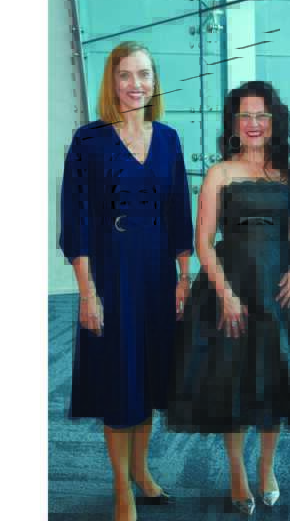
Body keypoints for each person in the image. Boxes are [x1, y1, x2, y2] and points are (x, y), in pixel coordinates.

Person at [168, 81, 290, 515]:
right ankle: (236, 472)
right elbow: (204, 242)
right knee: (233, 383)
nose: (254, 123)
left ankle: (266, 468)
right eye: (245, 115)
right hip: (231, 288)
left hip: (279, 292)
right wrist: (225, 293)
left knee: (274, 382)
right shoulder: (219, 173)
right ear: (233, 123)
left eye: (262, 115)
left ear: (275, 121)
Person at [59, 41, 193, 521]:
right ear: (112, 82)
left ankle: (141, 469)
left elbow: (179, 212)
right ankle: (121, 487)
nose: (136, 84)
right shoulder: (89, 140)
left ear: (155, 82)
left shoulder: (169, 139)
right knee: (120, 380)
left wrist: (183, 277)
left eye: (144, 74)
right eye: (126, 75)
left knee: (150, 377)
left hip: (157, 273)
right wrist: (87, 292)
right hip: (112, 274)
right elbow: (75, 220)